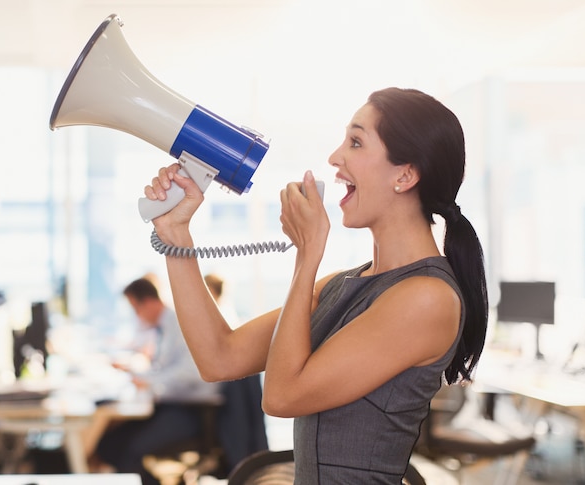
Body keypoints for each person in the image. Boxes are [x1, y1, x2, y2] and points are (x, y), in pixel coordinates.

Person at [142, 87, 488, 484]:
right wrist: (175, 235)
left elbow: (282, 397)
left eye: (356, 142)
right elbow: (220, 357)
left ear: (405, 175)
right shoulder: (343, 285)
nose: (335, 158)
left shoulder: (426, 298)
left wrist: (306, 258)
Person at [94, 276, 221, 484]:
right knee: (109, 444)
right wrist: (141, 377)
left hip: (190, 412)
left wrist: (149, 382)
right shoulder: (165, 326)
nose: (137, 316)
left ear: (150, 302)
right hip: (173, 406)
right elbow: (167, 370)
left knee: (127, 450)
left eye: (136, 308)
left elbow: (194, 373)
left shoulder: (180, 323)